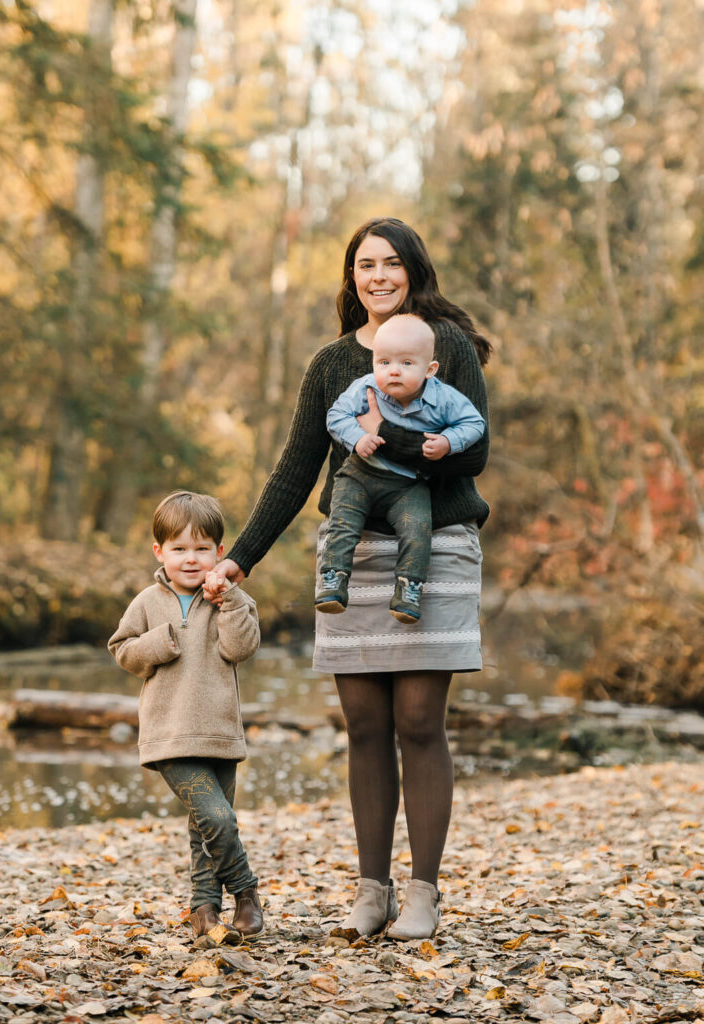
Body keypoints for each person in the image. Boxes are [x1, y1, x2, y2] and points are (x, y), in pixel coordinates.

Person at [205, 217, 491, 942]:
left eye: (392, 263)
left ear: (412, 271)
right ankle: (373, 892)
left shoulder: (445, 346)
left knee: (419, 722)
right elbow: (297, 468)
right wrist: (239, 556)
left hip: (436, 546)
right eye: (365, 264)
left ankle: (423, 891)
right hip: (352, 551)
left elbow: (471, 449)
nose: (378, 276)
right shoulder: (333, 365)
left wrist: (388, 441)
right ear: (351, 276)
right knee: (364, 726)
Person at [108, 491, 263, 944]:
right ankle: (246, 890)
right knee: (218, 819)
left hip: (220, 734)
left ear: (220, 551)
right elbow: (122, 649)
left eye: (201, 549)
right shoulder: (146, 602)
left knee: (204, 830)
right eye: (179, 549)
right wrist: (158, 644)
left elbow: (240, 649)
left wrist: (230, 602)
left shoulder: (232, 600)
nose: (191, 559)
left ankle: (203, 911)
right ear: (160, 552)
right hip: (170, 737)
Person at [317, 313, 485, 623]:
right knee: (343, 520)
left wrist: (448, 442)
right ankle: (334, 578)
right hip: (359, 475)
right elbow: (336, 415)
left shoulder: (444, 399)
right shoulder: (365, 388)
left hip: (407, 486)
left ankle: (408, 589)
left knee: (418, 530)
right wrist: (356, 438)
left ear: (429, 369)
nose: (393, 371)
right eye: (384, 363)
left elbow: (475, 424)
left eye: (406, 364)